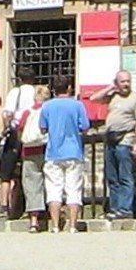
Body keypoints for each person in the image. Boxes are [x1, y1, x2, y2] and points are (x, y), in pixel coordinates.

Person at [36, 76, 90, 232]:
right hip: (74, 151)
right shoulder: (78, 105)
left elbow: (43, 127)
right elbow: (85, 126)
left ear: (53, 89)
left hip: (53, 152)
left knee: (54, 190)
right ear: (69, 88)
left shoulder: (47, 106)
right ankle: (73, 225)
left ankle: (54, 226)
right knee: (74, 189)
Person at [94, 69, 136, 220]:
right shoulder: (113, 97)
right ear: (117, 83)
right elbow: (94, 98)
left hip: (125, 138)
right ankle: (115, 208)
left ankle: (125, 209)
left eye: (128, 81)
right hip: (110, 138)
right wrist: (110, 88)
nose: (126, 84)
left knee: (125, 176)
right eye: (123, 81)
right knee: (112, 177)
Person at [3, 70, 48, 232]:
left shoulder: (22, 102)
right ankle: (50, 215)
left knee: (30, 182)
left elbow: (12, 118)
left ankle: (33, 219)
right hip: (47, 149)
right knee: (49, 181)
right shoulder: (48, 109)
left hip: (28, 148)